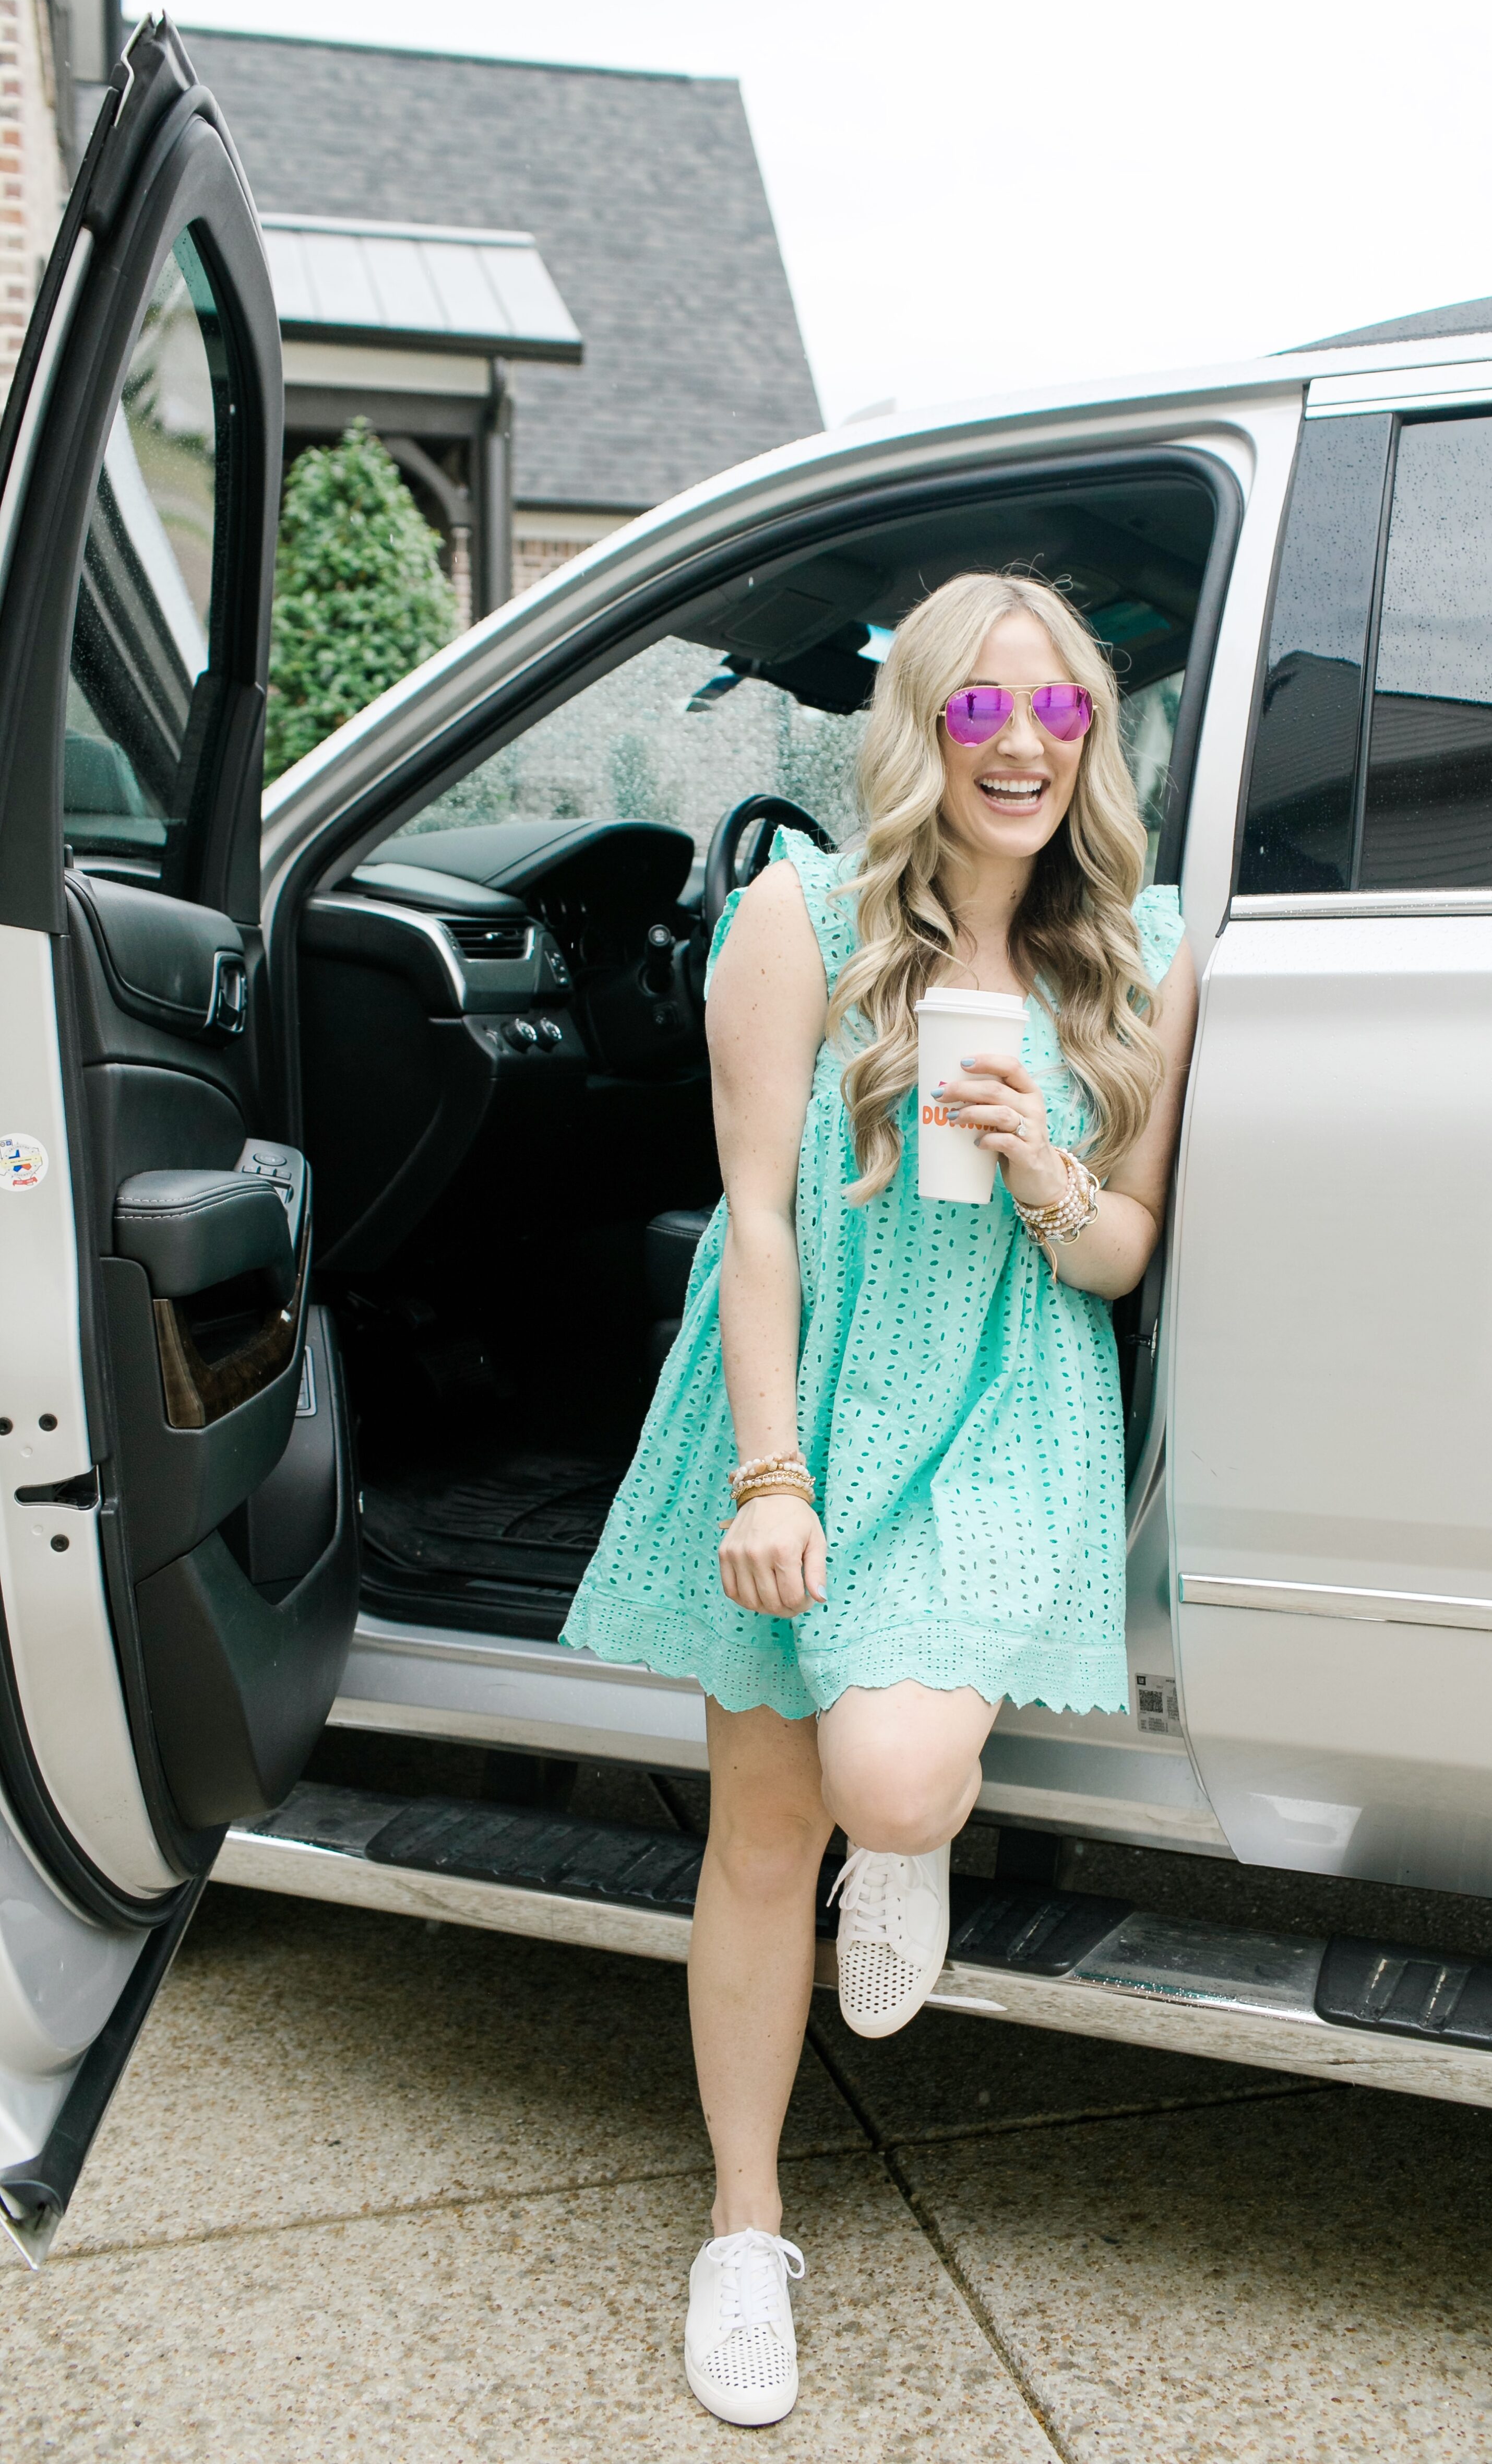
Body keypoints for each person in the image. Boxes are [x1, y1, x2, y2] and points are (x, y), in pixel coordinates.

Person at [561, 570, 1198, 2427]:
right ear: (921, 726)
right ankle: (745, 2234)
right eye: (979, 710)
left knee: (886, 1778)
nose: (1019, 745)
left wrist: (1042, 1176)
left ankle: (905, 1838)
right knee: (760, 1828)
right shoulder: (804, 918)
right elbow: (754, 1216)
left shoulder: (1136, 954)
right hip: (811, 1395)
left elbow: (1123, 1253)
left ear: (1093, 738)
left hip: (1010, 1403)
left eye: (1057, 711)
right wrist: (768, 1472)